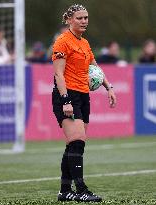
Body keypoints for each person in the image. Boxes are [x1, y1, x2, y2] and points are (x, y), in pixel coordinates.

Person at [52, 4, 116, 202]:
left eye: (86, 18)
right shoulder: (63, 42)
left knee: (74, 143)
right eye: (79, 18)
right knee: (77, 141)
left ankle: (65, 190)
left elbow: (94, 66)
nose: (84, 21)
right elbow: (58, 74)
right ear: (70, 20)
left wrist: (109, 87)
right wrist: (65, 100)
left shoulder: (85, 43)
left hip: (83, 95)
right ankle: (80, 189)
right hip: (67, 95)